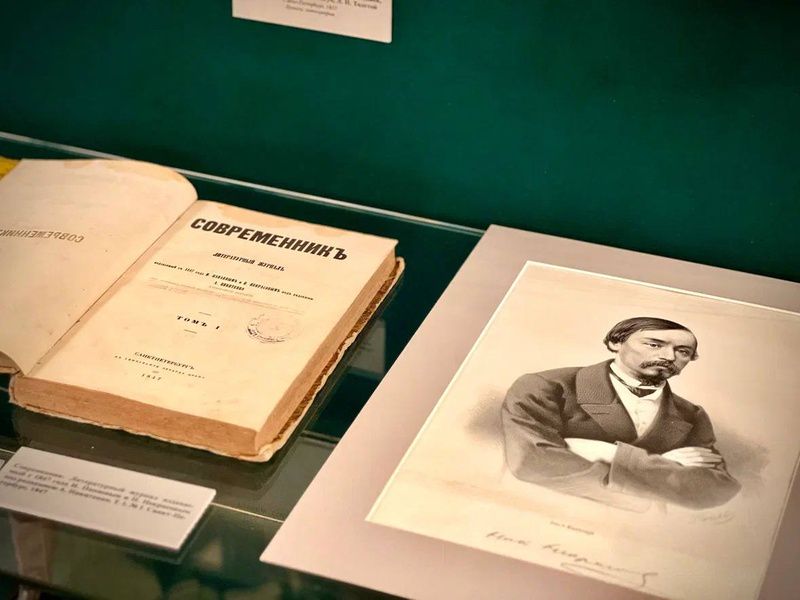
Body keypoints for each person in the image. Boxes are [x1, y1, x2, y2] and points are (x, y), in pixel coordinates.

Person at [501, 317, 741, 510]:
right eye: (655, 345)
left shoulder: (691, 414)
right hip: (545, 515)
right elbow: (531, 462)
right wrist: (662, 473)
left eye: (683, 352)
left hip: (644, 538)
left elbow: (715, 490)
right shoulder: (546, 386)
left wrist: (613, 454)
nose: (669, 357)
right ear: (616, 342)